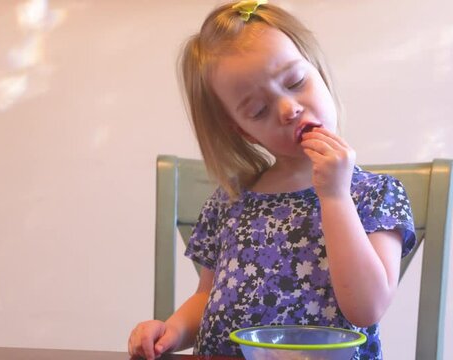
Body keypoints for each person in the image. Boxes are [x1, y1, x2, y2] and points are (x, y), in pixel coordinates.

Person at [128, 1, 416, 359]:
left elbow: (366, 307)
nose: (288, 109)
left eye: (296, 81)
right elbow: (208, 296)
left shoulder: (375, 195)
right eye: (258, 111)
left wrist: (336, 197)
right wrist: (171, 330)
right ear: (244, 132)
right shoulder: (230, 201)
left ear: (319, 71)